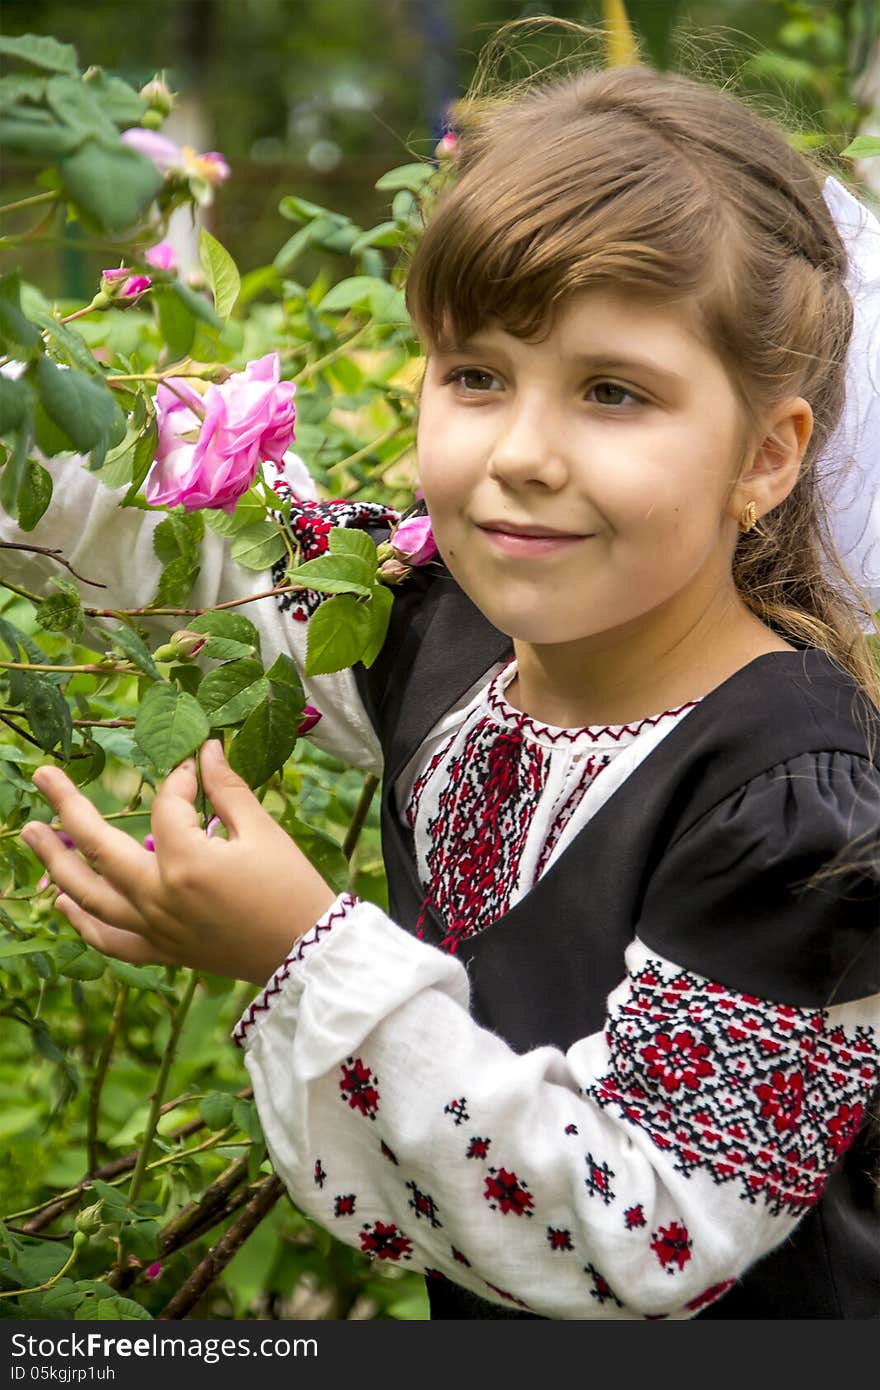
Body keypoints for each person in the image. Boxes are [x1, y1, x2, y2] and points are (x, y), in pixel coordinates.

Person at [5, 59, 880, 1320]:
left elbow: (645, 1227)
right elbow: (207, 538)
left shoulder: (793, 801)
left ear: (763, 456)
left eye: (612, 392)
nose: (521, 455)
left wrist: (294, 952)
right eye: (475, 374)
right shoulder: (442, 631)